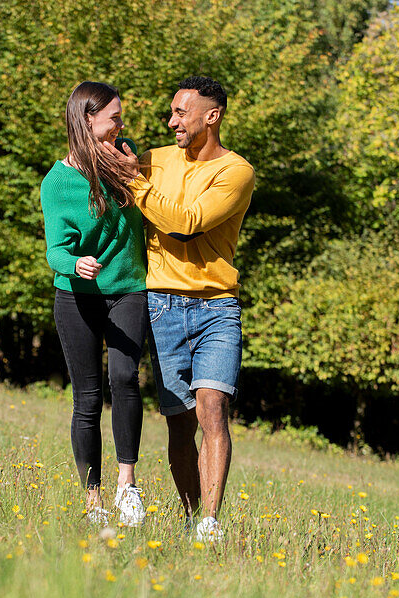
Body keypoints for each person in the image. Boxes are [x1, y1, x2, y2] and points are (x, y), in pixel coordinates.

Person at [103, 76, 254, 542]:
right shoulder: (152, 160)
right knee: (179, 422)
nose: (172, 122)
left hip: (215, 306)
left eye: (181, 113)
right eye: (171, 112)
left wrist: (138, 182)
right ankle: (191, 521)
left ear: (212, 116)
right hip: (162, 306)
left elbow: (187, 225)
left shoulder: (236, 172)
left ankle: (210, 522)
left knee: (213, 409)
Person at [40, 81, 148, 527]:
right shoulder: (58, 181)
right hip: (77, 296)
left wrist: (133, 169)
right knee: (86, 400)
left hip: (128, 288)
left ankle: (128, 487)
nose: (122, 124)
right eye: (114, 117)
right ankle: (93, 499)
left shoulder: (127, 157)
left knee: (124, 378)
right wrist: (74, 262)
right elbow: (54, 250)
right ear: (87, 120)